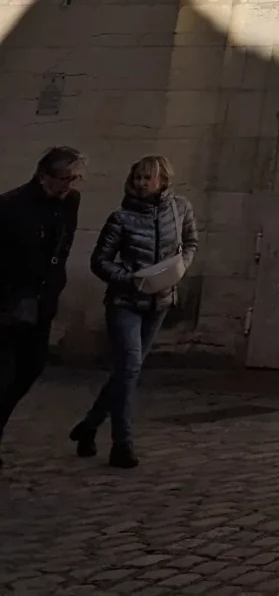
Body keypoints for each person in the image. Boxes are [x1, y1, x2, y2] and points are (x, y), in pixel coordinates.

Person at [73, 154, 196, 470]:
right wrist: (130, 280)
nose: (141, 183)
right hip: (125, 304)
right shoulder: (121, 218)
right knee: (129, 368)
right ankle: (121, 444)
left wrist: (180, 268)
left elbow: (191, 242)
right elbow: (100, 261)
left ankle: (89, 425)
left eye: (147, 177)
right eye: (138, 177)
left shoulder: (180, 208)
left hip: (161, 303)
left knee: (127, 372)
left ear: (163, 181)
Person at [0, 147, 85, 470]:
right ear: (44, 175)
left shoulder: (70, 203)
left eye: (75, 179)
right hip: (9, 301)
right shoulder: (11, 206)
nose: (70, 185)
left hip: (43, 301)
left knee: (31, 369)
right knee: (4, 375)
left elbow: (62, 247)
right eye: (65, 178)